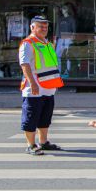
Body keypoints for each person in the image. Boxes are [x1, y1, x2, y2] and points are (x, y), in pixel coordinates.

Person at [19, 15, 64, 156]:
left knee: (45, 116)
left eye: (46, 26)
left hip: (48, 87)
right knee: (31, 116)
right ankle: (31, 145)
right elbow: (24, 64)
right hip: (34, 88)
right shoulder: (28, 43)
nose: (44, 29)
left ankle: (43, 142)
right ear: (32, 27)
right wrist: (32, 83)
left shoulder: (47, 43)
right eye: (40, 26)